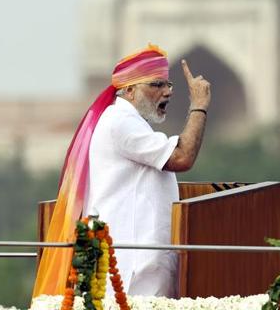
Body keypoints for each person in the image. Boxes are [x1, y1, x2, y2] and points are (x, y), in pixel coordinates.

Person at [33, 44, 211, 298]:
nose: (167, 92)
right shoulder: (121, 122)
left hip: (139, 261)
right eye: (156, 85)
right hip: (131, 266)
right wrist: (199, 106)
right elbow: (181, 157)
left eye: (168, 85)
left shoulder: (131, 123)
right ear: (129, 90)